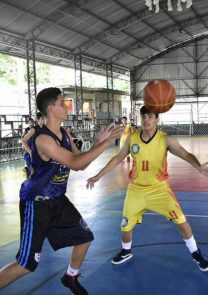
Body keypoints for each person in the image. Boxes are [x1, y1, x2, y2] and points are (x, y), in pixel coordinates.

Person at [0, 87, 123, 294]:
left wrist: (99, 142)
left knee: (84, 237)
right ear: (50, 109)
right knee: (26, 264)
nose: (66, 105)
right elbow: (74, 163)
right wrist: (107, 143)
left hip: (57, 199)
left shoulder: (64, 133)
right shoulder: (43, 139)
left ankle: (70, 277)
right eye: (62, 102)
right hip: (37, 202)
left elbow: (80, 161)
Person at [86, 105, 208, 272]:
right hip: (136, 190)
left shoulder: (165, 139)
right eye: (144, 117)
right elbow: (118, 158)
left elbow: (185, 154)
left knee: (181, 221)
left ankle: (196, 253)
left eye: (150, 116)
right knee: (125, 226)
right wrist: (98, 175)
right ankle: (126, 251)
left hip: (159, 189)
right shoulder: (132, 138)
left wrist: (199, 167)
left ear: (157, 119)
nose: (146, 120)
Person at [21, 113, 45, 178]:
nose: (31, 123)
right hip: (31, 151)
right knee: (31, 171)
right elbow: (23, 140)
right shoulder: (30, 130)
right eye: (43, 118)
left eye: (32, 122)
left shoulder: (46, 129)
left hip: (41, 153)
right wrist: (29, 151)